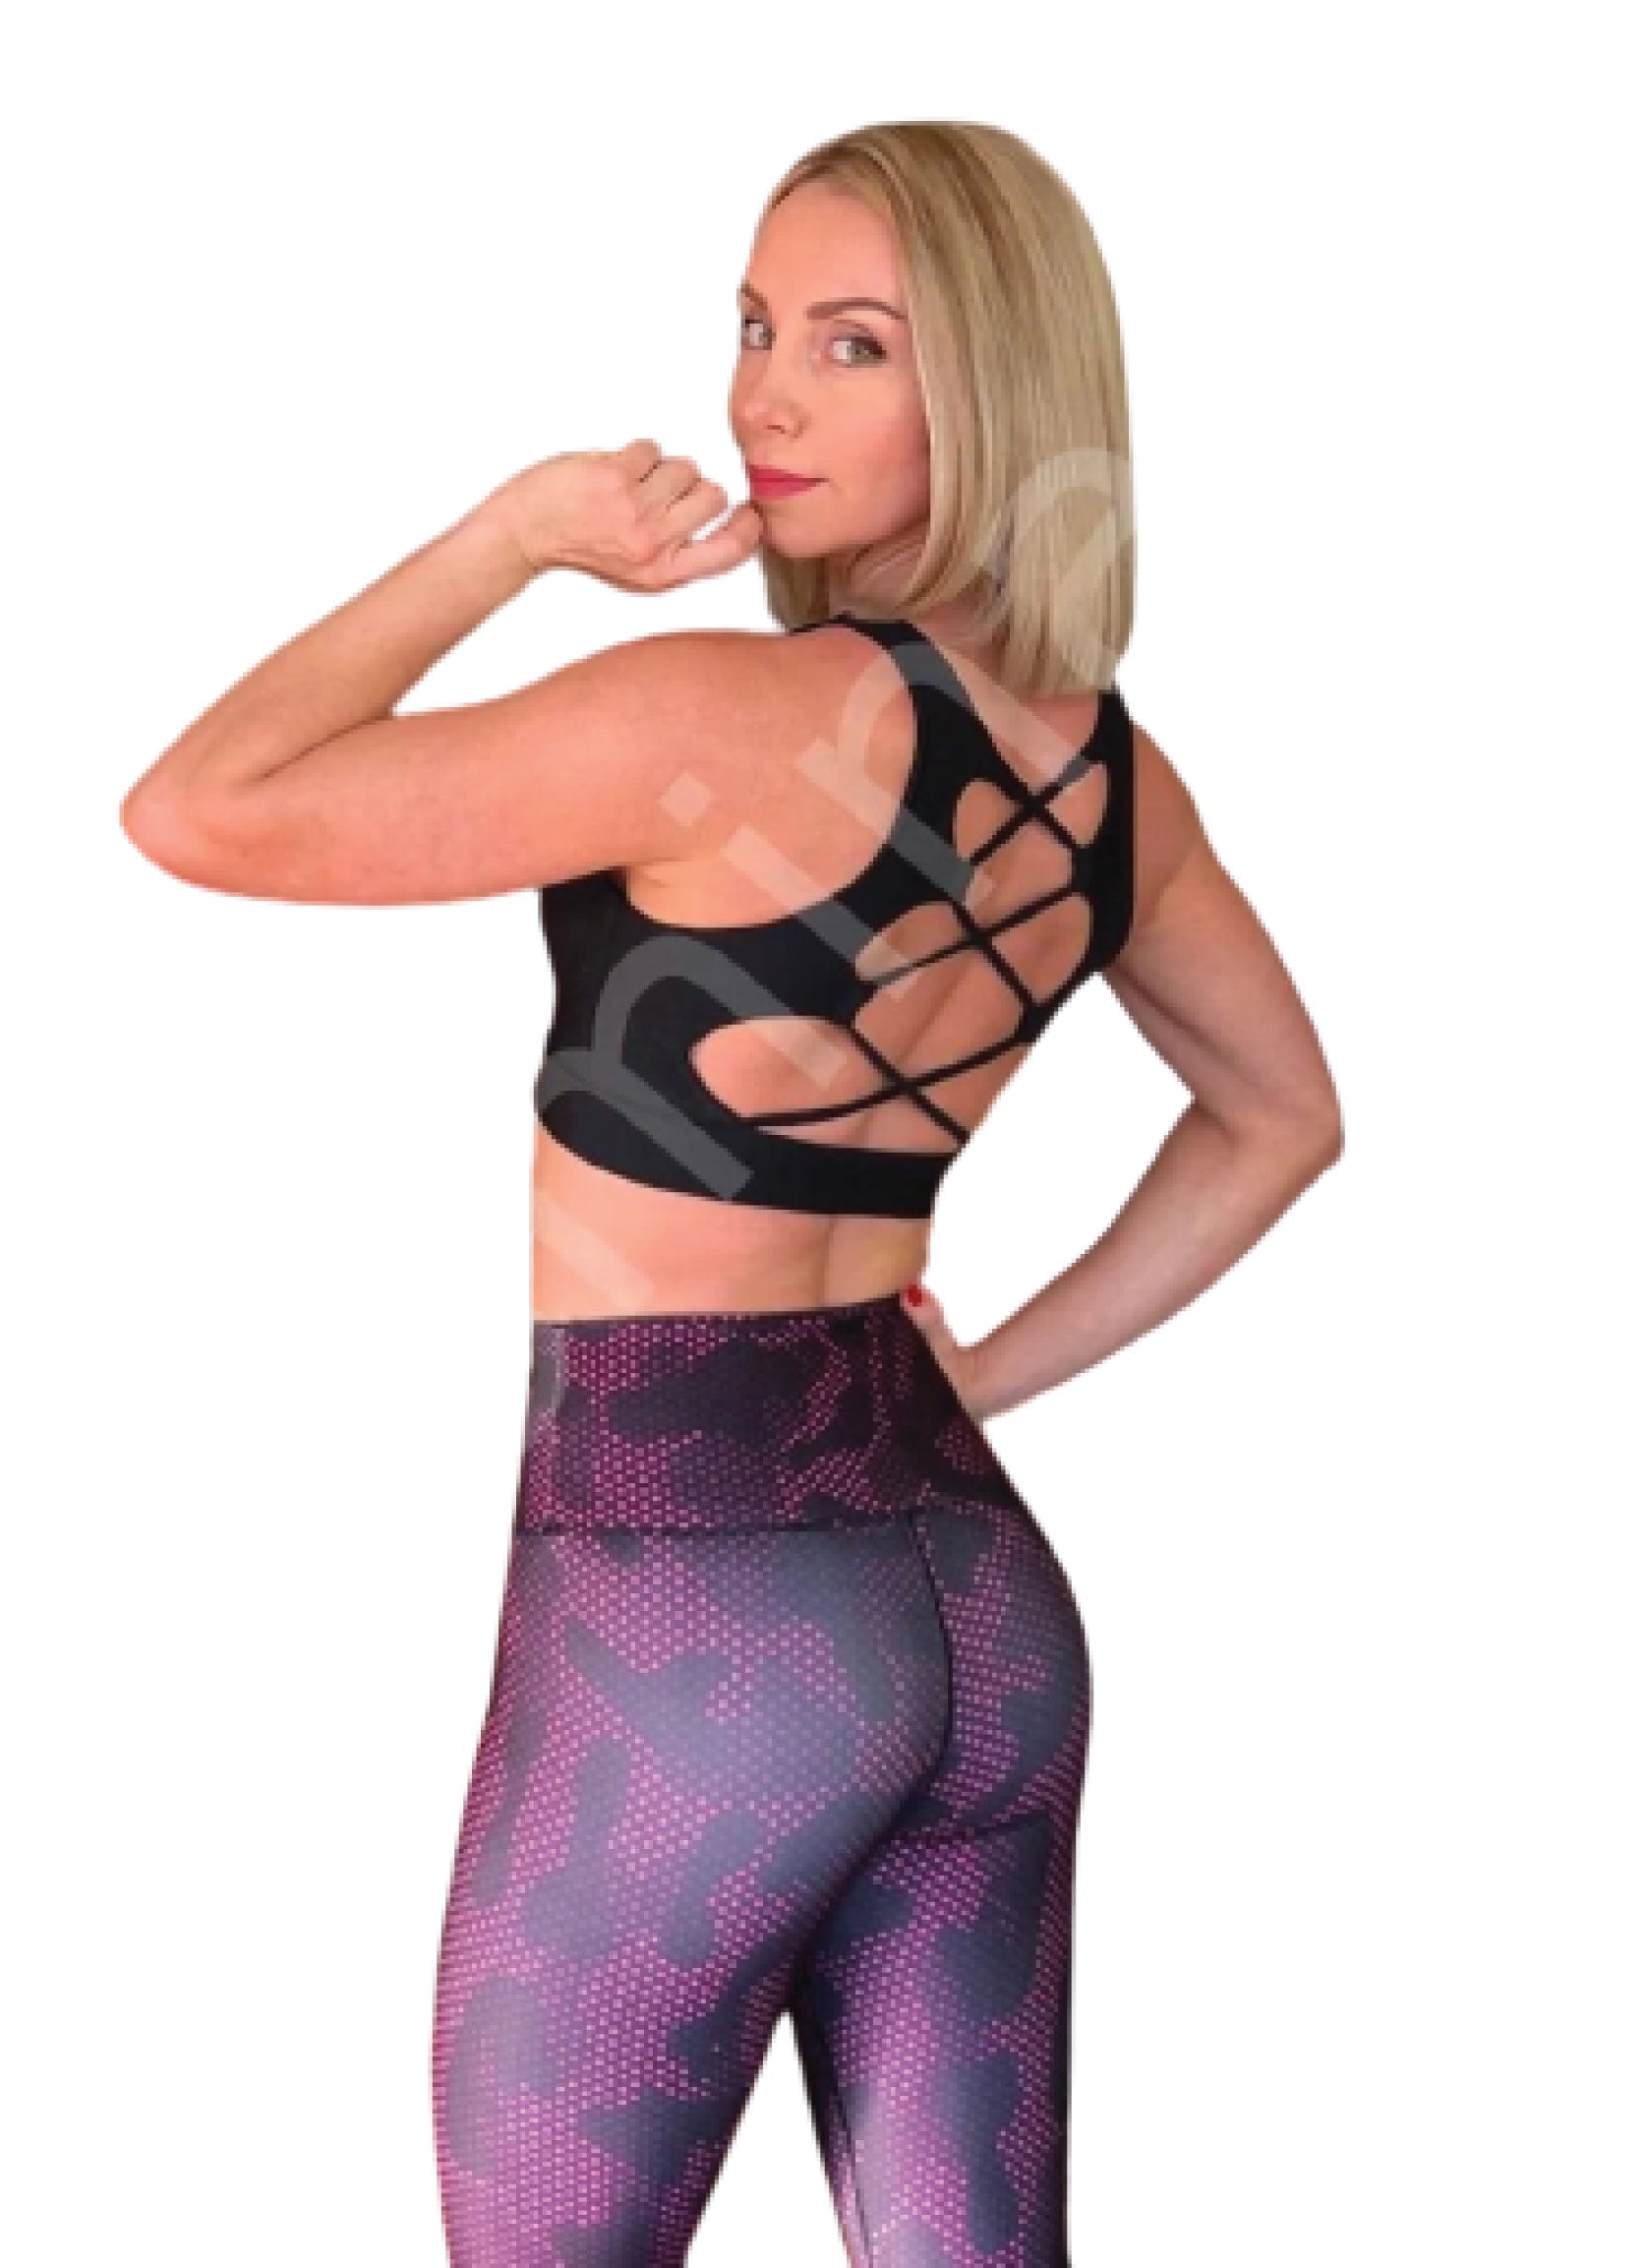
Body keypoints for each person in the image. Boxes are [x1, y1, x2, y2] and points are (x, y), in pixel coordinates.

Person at [121, 119, 1343, 2266]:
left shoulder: (715, 716)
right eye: (757, 328)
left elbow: (200, 806)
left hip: (690, 1603)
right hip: (980, 1603)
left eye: (853, 346)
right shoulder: (1112, 779)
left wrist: (513, 535)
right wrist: (986, 1378)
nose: (766, 395)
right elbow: (1281, 1117)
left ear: (1001, 386)